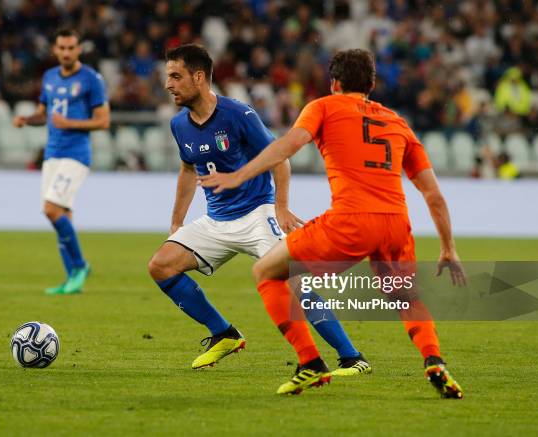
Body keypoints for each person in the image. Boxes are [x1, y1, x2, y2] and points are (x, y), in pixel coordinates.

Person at [200, 49, 466, 398]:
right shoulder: (397, 122)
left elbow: (288, 146)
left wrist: (239, 176)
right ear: (371, 83)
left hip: (352, 220)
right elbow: (433, 195)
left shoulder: (323, 106)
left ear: (334, 82)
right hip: (396, 223)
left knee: (267, 272)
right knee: (406, 298)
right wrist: (448, 248)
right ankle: (434, 360)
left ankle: (310, 363)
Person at [148, 44, 371, 376]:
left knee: (296, 281)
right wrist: (177, 222)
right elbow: (187, 171)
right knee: (161, 266)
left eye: (176, 76)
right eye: (168, 77)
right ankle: (224, 334)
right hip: (216, 220)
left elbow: (279, 158)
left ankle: (352, 357)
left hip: (256, 215)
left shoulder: (238, 114)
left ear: (199, 77)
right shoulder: (179, 125)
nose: (168, 84)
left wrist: (280, 207)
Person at [13, 28, 110, 294]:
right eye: (62, 48)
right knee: (62, 215)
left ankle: (80, 266)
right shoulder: (49, 77)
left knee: (51, 209)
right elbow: (44, 114)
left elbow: (104, 120)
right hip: (52, 154)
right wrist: (26, 119)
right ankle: (72, 281)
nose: (66, 52)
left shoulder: (91, 79)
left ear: (78, 49)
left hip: (76, 154)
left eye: (71, 48)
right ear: (55, 50)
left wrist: (71, 123)